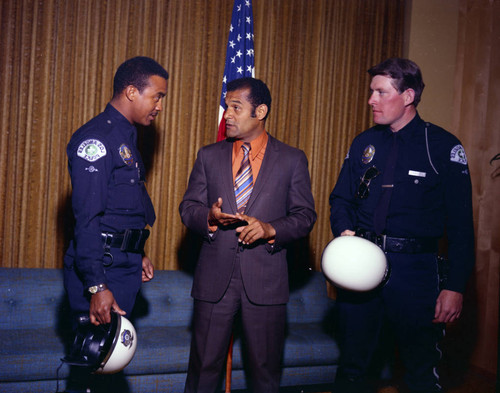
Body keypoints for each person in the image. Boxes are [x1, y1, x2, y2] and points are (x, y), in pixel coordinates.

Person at [329, 58, 474, 393]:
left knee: (420, 369)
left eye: (381, 92)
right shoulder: (364, 142)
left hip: (415, 271)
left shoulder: (443, 147)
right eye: (371, 91)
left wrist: (455, 287)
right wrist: (345, 232)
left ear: (408, 95)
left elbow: (462, 227)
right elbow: (341, 199)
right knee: (352, 366)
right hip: (360, 265)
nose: (371, 100)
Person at [179, 77, 316, 393]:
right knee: (203, 370)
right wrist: (209, 218)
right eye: (227, 106)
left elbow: (305, 216)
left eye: (235, 107)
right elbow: (188, 207)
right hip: (214, 281)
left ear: (261, 111)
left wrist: (271, 229)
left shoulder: (292, 159)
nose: (227, 114)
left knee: (265, 374)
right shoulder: (208, 156)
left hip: (267, 282)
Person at [63, 56, 168, 392]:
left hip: (122, 263)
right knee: (93, 369)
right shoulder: (95, 140)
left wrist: (137, 249)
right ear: (132, 91)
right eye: (157, 96)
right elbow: (88, 218)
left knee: (110, 367)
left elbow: (122, 207)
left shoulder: (126, 136)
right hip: (102, 268)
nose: (160, 106)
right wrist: (96, 286)